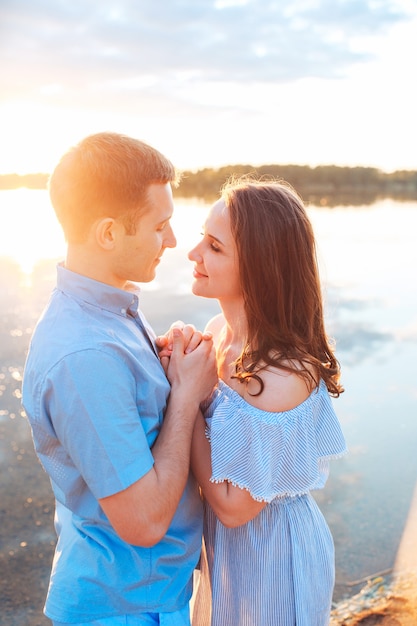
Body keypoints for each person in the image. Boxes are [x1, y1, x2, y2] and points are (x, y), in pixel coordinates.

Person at [21, 132, 217, 626]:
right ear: (108, 233)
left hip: (146, 592)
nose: (173, 241)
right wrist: (186, 397)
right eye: (160, 226)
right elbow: (145, 520)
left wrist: (168, 369)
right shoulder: (85, 354)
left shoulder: (111, 309)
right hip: (122, 605)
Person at [187, 177, 348, 625]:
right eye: (202, 238)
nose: (193, 254)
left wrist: (190, 398)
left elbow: (234, 506)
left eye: (214, 247)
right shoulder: (218, 332)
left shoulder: (283, 374)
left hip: (273, 554)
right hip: (224, 551)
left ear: (259, 268)